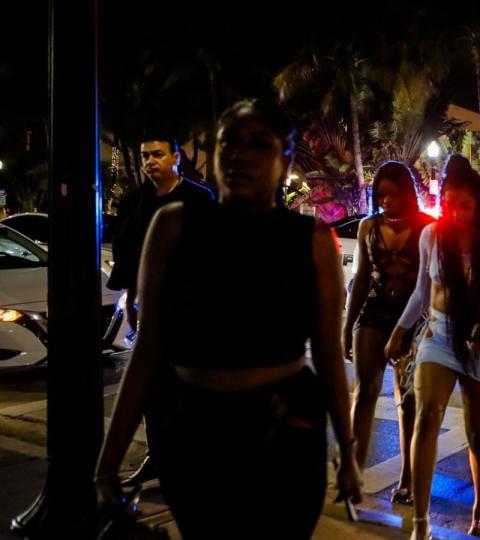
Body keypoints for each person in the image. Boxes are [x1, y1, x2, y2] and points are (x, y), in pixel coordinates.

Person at [95, 98, 362, 539]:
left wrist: (347, 452)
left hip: (285, 436)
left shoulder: (310, 240)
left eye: (259, 144)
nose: (240, 155)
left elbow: (330, 355)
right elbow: (148, 350)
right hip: (194, 435)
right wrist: (107, 465)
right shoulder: (174, 226)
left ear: (284, 159)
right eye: (228, 144)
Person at [384, 155, 480, 539]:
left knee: (478, 435)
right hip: (438, 337)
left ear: (479, 203)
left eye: (466, 206)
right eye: (449, 205)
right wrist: (399, 331)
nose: (456, 213)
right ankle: (421, 524)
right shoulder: (432, 236)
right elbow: (422, 293)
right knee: (426, 418)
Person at [106, 133, 214, 487]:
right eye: (145, 156)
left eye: (158, 154)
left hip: (192, 314)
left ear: (175, 158)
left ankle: (192, 461)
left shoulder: (198, 200)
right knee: (152, 390)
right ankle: (156, 457)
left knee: (191, 389)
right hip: (151, 312)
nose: (151, 161)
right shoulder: (137, 202)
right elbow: (130, 256)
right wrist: (132, 302)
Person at [344, 161, 433, 506]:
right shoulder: (369, 226)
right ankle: (353, 472)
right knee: (364, 391)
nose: (386, 201)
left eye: (393, 194)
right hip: (373, 311)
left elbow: (429, 281)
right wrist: (346, 326)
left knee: (408, 400)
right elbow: (361, 280)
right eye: (380, 195)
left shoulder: (427, 227)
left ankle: (408, 477)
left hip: (412, 317)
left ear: (407, 193)